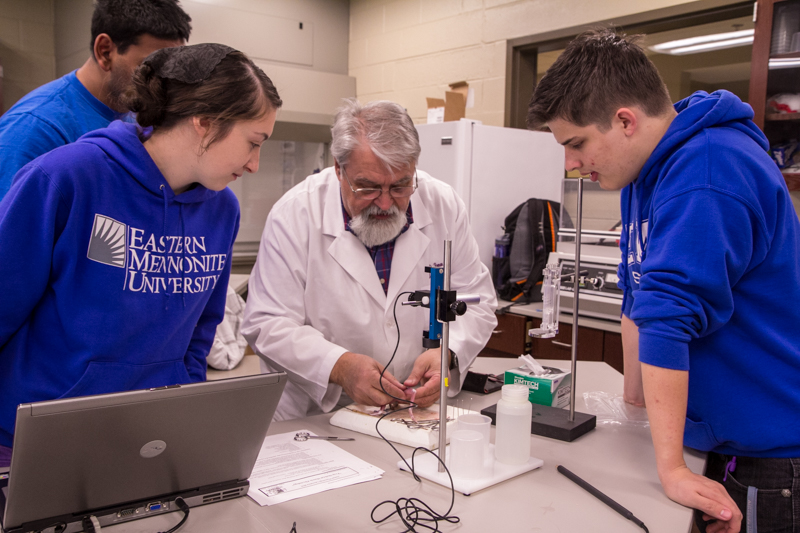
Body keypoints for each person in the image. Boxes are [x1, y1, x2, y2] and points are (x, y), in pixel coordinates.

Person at [528, 29, 800, 533]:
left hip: (770, 454)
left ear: (625, 121)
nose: (570, 164)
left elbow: (666, 318)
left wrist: (671, 469)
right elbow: (638, 296)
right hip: (714, 441)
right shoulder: (643, 173)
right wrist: (634, 402)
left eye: (576, 143)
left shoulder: (708, 171)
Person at [0, 44, 282, 467]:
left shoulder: (222, 210)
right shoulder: (67, 178)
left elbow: (199, 332)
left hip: (148, 438)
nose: (255, 164)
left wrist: (181, 411)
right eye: (253, 143)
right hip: (37, 436)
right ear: (205, 122)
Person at [241, 99, 498, 421]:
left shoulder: (443, 204)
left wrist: (448, 353)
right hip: (316, 415)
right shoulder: (295, 214)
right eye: (368, 187)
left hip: (414, 408)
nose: (386, 203)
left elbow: (476, 301)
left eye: (401, 185)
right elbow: (267, 323)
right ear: (338, 169)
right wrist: (339, 366)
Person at [0, 0, 192, 199]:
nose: (163, 83)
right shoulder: (33, 130)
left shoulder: (139, 114)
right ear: (105, 51)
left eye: (170, 69)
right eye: (150, 67)